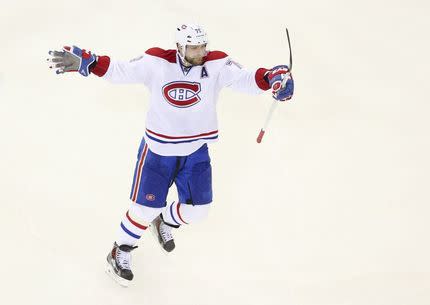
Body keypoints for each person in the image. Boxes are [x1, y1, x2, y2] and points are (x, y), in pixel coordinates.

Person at [47, 23, 294, 287]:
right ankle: (120, 250)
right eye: (194, 47)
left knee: (199, 212)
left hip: (196, 152)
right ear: (179, 47)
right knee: (144, 208)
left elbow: (246, 79)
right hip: (158, 153)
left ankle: (163, 220)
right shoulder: (157, 61)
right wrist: (92, 62)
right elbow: (120, 71)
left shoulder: (217, 64)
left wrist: (271, 78)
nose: (200, 52)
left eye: (202, 46)